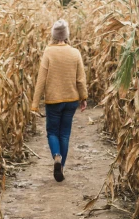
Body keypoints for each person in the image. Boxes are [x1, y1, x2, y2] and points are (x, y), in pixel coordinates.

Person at [30, 19, 88, 182]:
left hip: (53, 101)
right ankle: (61, 168)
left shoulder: (49, 52)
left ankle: (56, 156)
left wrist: (35, 104)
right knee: (65, 134)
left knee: (52, 132)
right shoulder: (75, 53)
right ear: (67, 35)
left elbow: (41, 80)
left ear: (54, 35)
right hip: (71, 100)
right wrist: (83, 97)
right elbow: (81, 79)